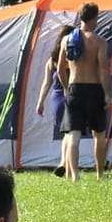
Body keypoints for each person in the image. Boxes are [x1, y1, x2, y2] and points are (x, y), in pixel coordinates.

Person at [56, 2, 112, 180]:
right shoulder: (99, 42)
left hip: (74, 88)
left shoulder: (66, 40)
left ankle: (75, 176)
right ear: (94, 18)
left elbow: (59, 69)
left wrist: (66, 88)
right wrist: (107, 93)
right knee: (99, 134)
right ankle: (100, 174)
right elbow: (103, 69)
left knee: (73, 134)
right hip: (94, 89)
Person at [34, 23, 72, 157]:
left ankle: (64, 160)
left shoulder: (52, 60)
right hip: (70, 95)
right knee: (72, 132)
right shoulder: (74, 58)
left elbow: (46, 82)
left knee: (65, 132)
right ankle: (67, 161)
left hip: (56, 97)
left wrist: (40, 102)